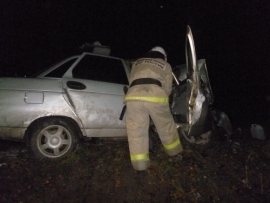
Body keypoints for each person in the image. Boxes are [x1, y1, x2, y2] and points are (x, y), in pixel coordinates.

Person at [124, 46, 183, 171]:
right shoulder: (165, 65)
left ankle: (140, 165)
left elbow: (131, 80)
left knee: (136, 131)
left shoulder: (137, 63)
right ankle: (174, 152)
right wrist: (165, 99)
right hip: (155, 96)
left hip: (133, 97)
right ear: (163, 56)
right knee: (165, 126)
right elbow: (167, 86)